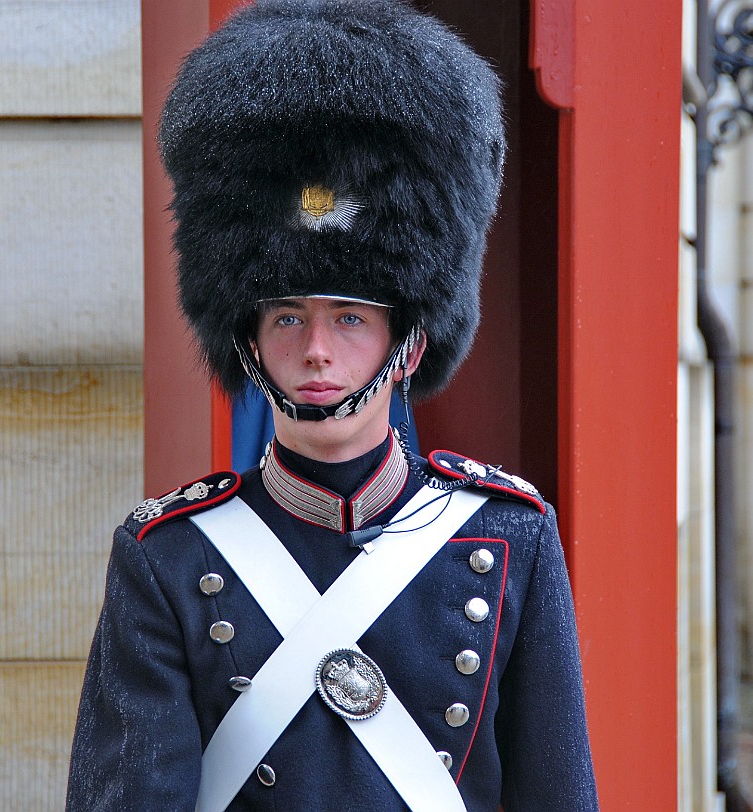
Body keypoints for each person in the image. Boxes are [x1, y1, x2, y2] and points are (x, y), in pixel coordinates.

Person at [66, 1, 598, 810]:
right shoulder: (168, 557)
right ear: (245, 338)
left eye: (350, 319)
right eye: (287, 318)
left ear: (408, 344)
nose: (316, 350)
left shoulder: (510, 537)